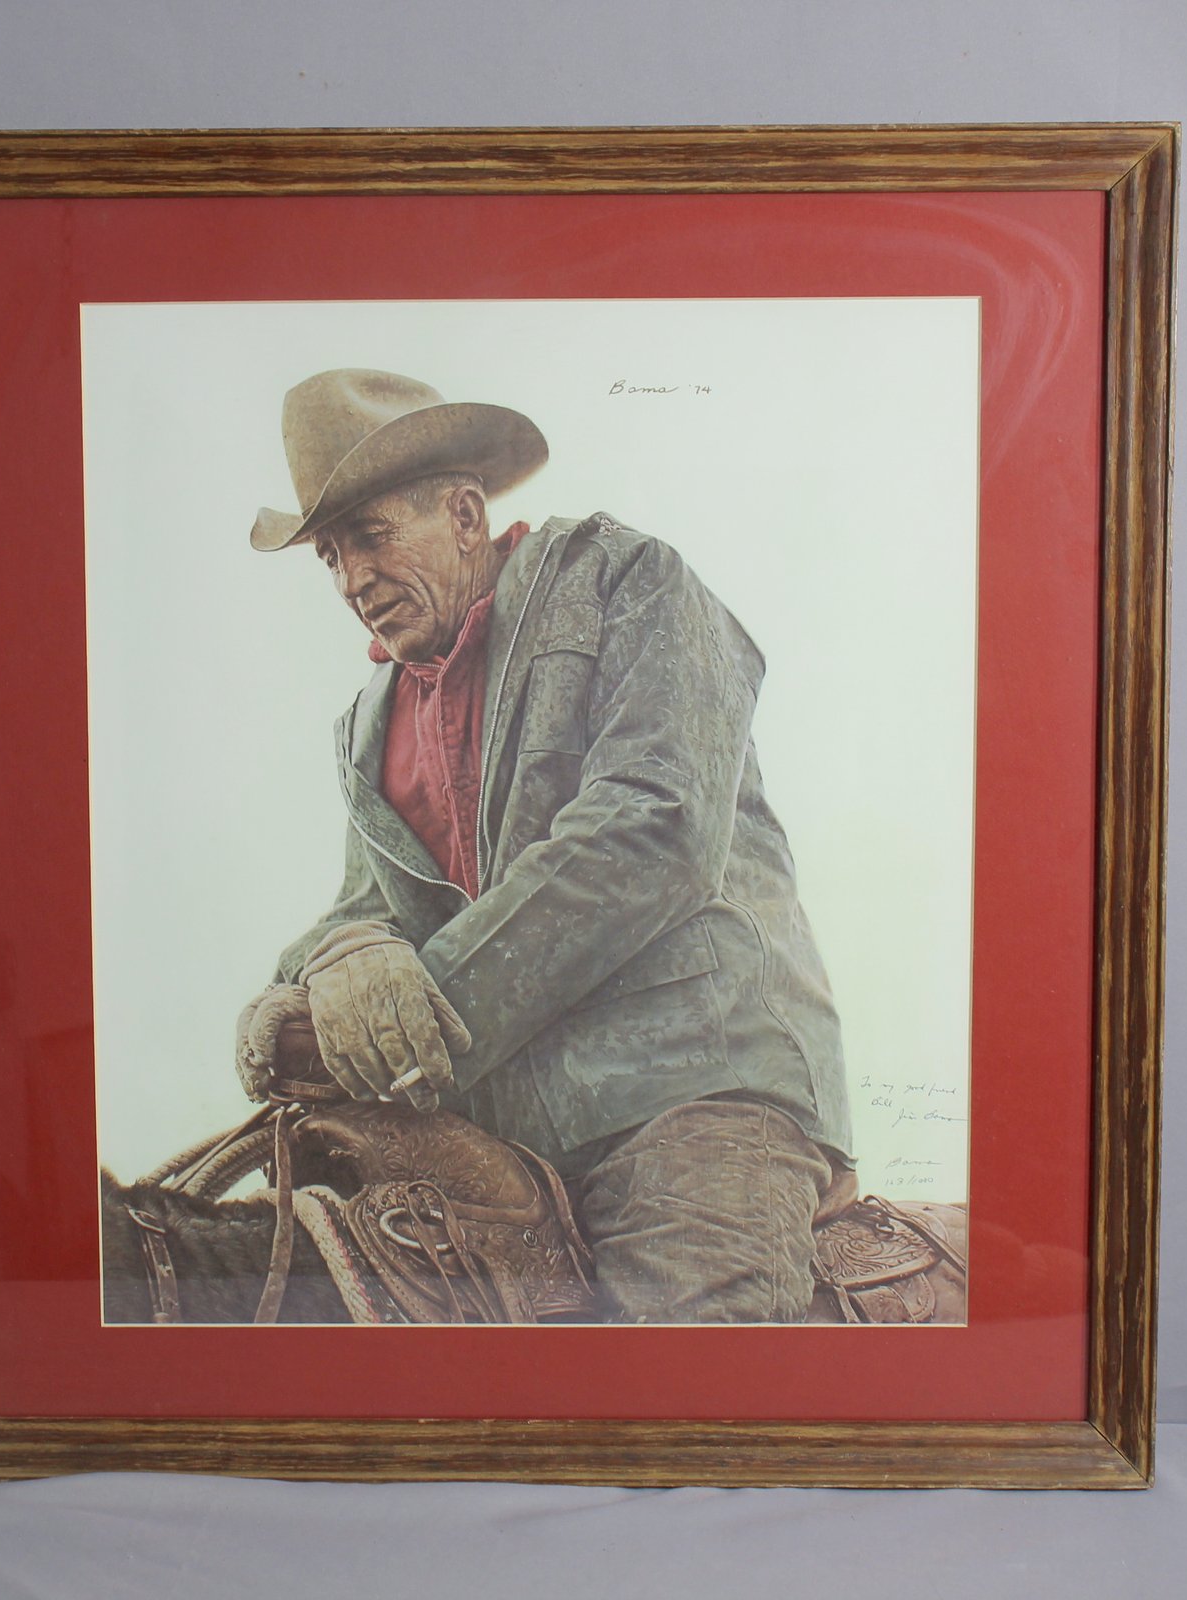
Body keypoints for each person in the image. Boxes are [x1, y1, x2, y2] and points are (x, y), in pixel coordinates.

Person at [233, 368, 853, 1323]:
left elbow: (655, 829)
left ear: (466, 516)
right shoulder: (367, 726)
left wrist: (412, 1008)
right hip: (507, 1134)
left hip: (694, 1094)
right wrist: (324, 966)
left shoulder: (627, 581)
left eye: (372, 537)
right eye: (330, 556)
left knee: (688, 1375)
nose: (352, 582)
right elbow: (367, 915)